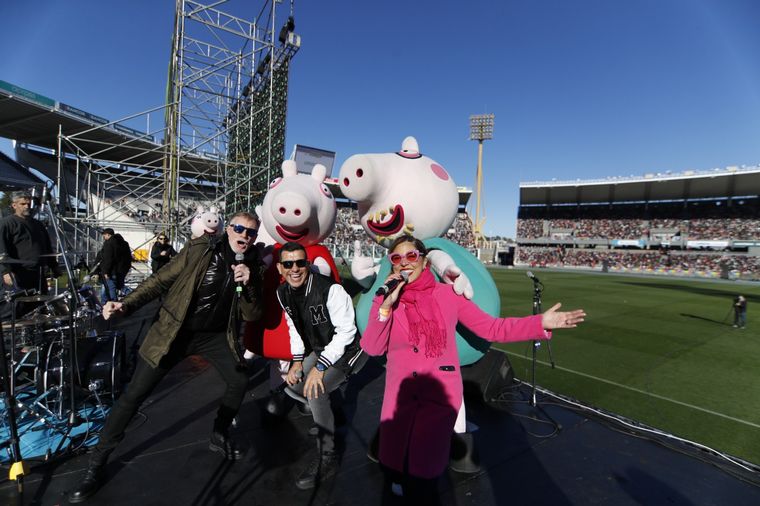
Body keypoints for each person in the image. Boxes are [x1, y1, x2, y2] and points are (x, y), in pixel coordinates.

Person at [360, 235, 586, 504]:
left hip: (438, 398)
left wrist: (540, 323)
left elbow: (492, 328)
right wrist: (384, 306)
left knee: (423, 474)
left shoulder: (446, 295)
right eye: (397, 258)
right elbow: (373, 347)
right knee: (394, 465)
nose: (405, 263)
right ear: (391, 265)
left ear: (424, 261)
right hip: (399, 399)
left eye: (411, 256)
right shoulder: (387, 302)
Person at [68, 212, 264, 503]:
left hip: (215, 337)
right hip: (175, 332)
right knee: (134, 395)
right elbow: (160, 280)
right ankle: (96, 465)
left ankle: (219, 431)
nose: (244, 236)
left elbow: (253, 314)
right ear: (228, 229)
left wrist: (248, 284)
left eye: (251, 233)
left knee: (238, 379)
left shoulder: (252, 266)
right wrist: (126, 304)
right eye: (239, 229)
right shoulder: (202, 248)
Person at [276, 241, 366, 490]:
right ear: (280, 268)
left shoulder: (331, 290)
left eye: (300, 263)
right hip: (323, 348)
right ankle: (332, 416)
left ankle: (328, 457)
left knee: (315, 390)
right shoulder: (282, 292)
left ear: (307, 264)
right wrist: (296, 362)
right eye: (288, 264)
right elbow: (294, 328)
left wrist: (321, 366)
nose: (295, 269)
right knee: (293, 384)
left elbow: (347, 332)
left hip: (351, 350)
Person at [0, 190, 60, 295]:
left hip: (39, 274)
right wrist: (5, 272)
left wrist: (54, 266)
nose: (27, 206)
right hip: (18, 273)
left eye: (28, 204)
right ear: (14, 205)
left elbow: (47, 248)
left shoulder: (38, 224)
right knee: (19, 307)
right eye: (22, 204)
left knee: (40, 306)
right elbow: (1, 250)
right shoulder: (7, 223)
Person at [94, 228, 132, 302]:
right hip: (122, 269)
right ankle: (132, 295)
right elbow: (128, 258)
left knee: (110, 288)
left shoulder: (109, 243)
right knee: (119, 286)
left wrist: (106, 271)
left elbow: (109, 259)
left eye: (104, 235)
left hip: (112, 270)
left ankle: (110, 303)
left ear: (108, 234)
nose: (104, 237)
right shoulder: (123, 243)